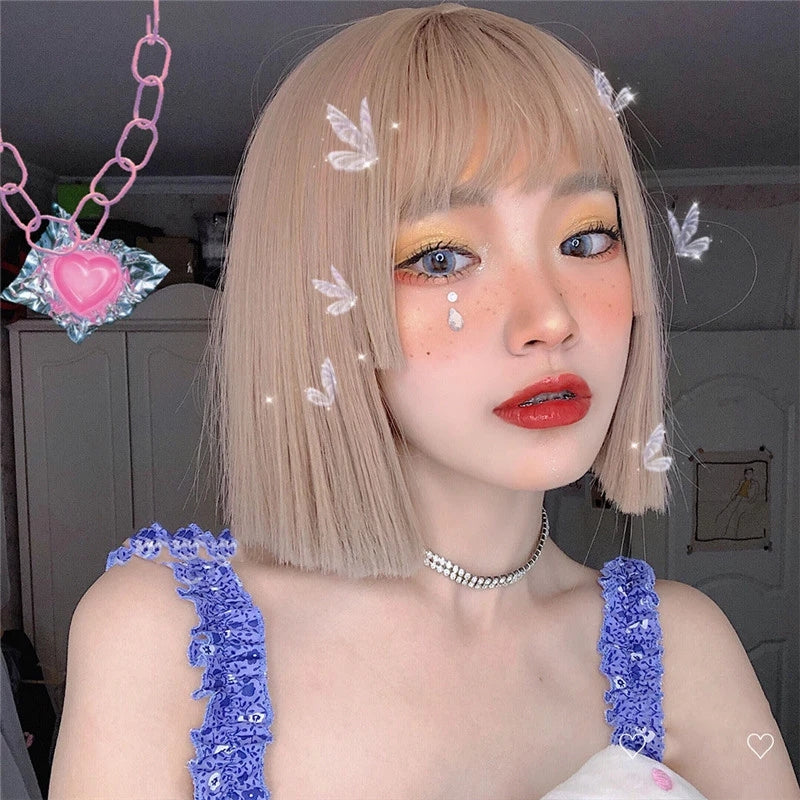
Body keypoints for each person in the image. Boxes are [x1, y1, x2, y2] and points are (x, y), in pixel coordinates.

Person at [48, 4, 799, 799]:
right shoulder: (163, 638)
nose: (550, 318)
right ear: (318, 305)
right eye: (441, 258)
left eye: (585, 240)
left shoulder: (685, 651)